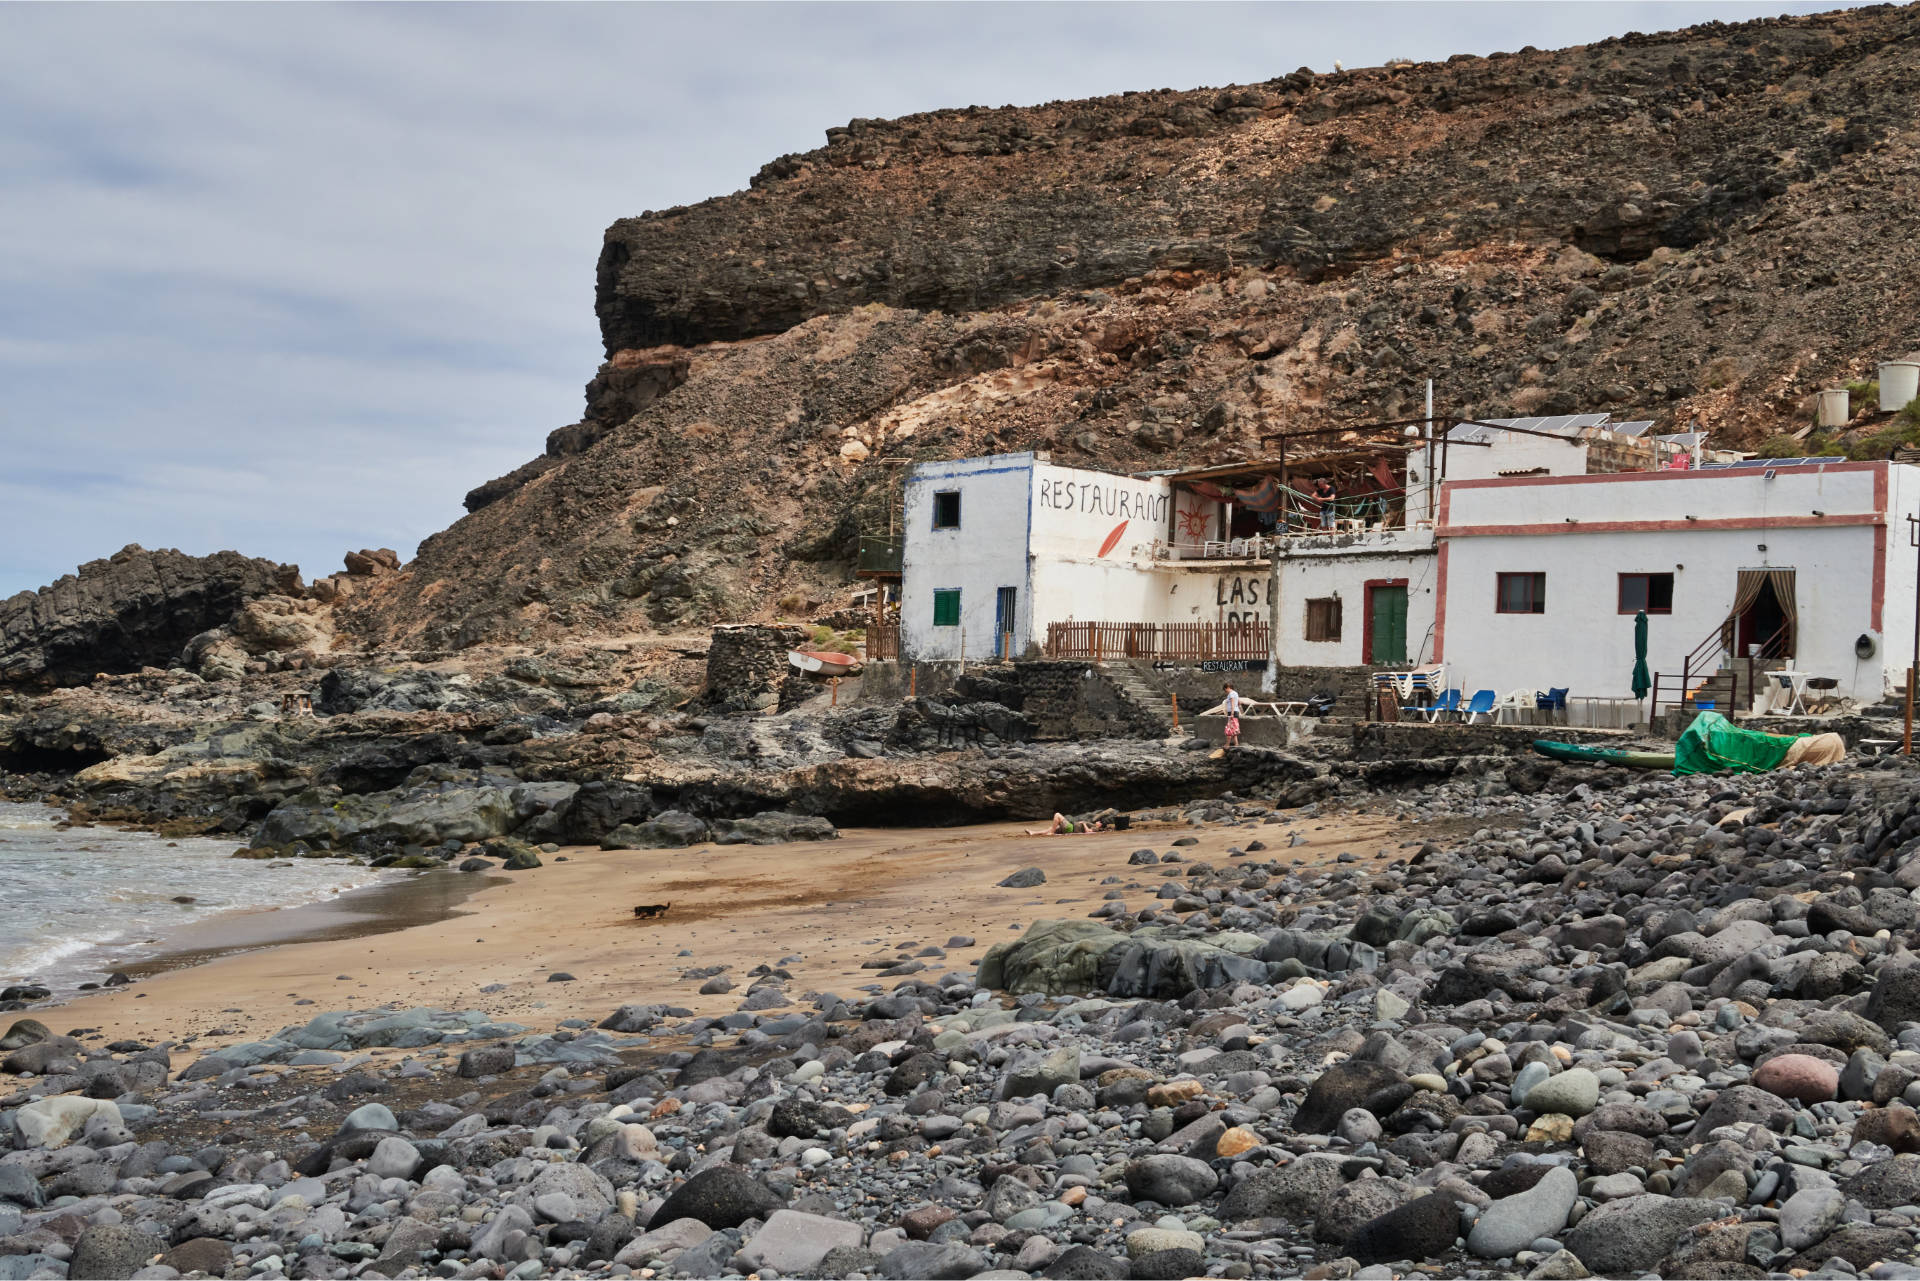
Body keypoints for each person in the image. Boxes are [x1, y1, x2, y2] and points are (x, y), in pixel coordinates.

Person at [1025, 812, 1108, 836]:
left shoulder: (1095, 828)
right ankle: (1033, 832)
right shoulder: (1094, 825)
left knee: (1057, 815)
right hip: (1070, 827)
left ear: (1100, 825)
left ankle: (1052, 832)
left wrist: (1083, 824)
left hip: (1070, 828)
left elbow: (1088, 832)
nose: (1097, 821)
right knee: (1050, 828)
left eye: (1099, 821)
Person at [1223, 682, 1242, 748]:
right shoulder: (1236, 693)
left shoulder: (1231, 694)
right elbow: (1239, 703)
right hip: (1235, 712)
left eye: (1225, 690)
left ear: (1228, 688)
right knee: (1233, 729)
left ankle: (1227, 744)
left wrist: (1232, 713)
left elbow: (1232, 703)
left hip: (1232, 712)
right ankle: (1236, 744)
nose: (1226, 692)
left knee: (1229, 729)